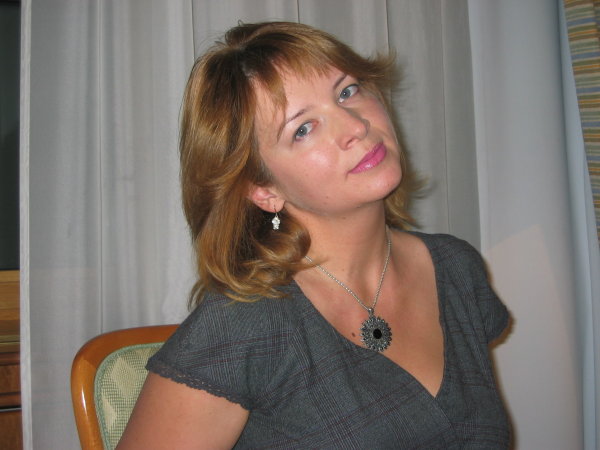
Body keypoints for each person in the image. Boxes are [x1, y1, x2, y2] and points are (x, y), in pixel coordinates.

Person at [118, 21, 511, 449]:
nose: (355, 126)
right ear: (263, 190)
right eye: (303, 128)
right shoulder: (245, 325)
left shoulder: (456, 269)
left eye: (347, 91)